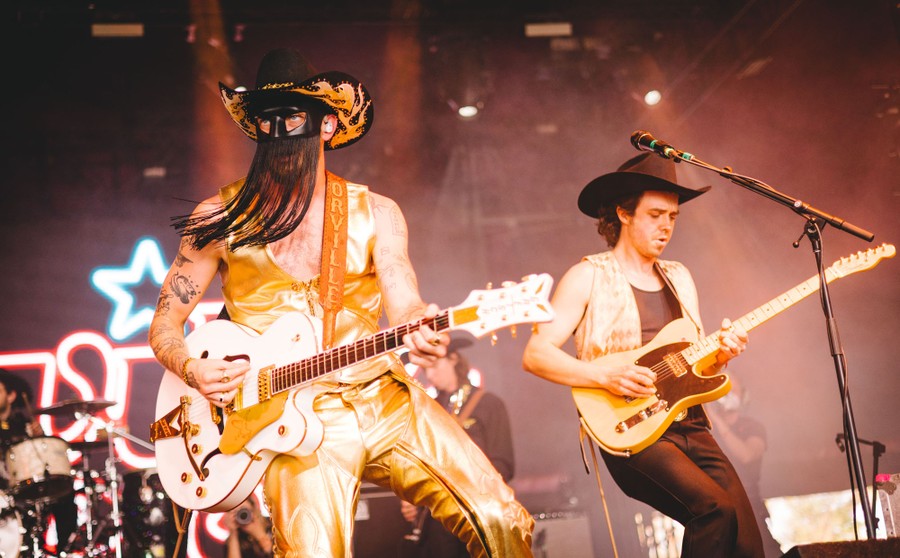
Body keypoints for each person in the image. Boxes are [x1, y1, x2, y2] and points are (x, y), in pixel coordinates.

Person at [148, 48, 533, 557]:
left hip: (381, 396)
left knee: (501, 518)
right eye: (266, 120)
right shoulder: (220, 216)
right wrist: (192, 369)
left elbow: (404, 297)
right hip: (285, 420)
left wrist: (420, 324)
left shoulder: (376, 212)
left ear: (327, 124)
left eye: (292, 117)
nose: (278, 131)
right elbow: (165, 322)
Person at [522, 152, 765, 557]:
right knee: (713, 511)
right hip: (632, 427)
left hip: (690, 423)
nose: (666, 226)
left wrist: (721, 355)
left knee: (746, 542)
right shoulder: (587, 276)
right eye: (655, 215)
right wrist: (604, 375)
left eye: (672, 217)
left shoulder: (680, 277)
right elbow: (536, 354)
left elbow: (695, 362)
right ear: (624, 213)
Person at [399, 339, 515, 558]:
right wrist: (411, 496)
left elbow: (503, 464)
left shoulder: (489, 404)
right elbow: (417, 461)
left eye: (434, 366)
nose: (430, 375)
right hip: (435, 522)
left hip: (477, 519)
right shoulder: (428, 409)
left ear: (453, 358)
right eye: (425, 369)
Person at [0, 368, 78, 554]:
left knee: (62, 490)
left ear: (11, 396)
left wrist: (38, 437)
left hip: (20, 490)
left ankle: (64, 549)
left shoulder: (22, 426)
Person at [706, 375, 783, 557]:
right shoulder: (707, 428)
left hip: (749, 507)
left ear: (744, 396)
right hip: (718, 508)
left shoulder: (754, 427)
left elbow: (747, 455)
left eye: (734, 390)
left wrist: (718, 421)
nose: (728, 394)